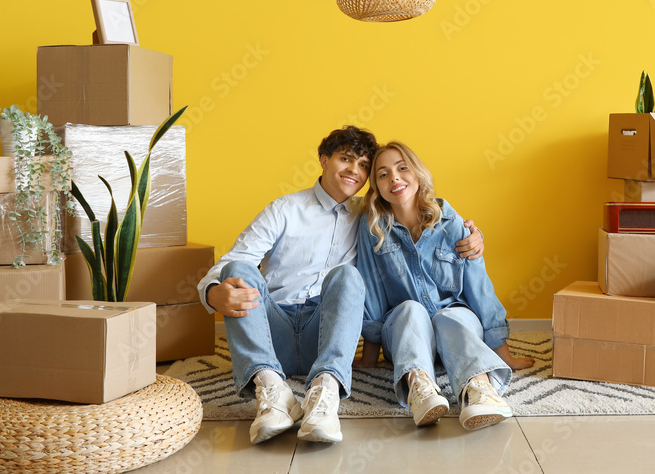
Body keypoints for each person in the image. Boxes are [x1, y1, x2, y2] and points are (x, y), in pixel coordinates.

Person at [196, 126, 484, 445]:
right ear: (324, 160)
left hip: (325, 337)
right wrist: (212, 293)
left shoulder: (371, 214)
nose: (354, 170)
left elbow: (418, 221)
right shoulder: (285, 209)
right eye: (345, 159)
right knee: (239, 268)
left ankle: (326, 390)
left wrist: (469, 233)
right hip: (272, 334)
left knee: (347, 275)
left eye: (363, 165)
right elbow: (232, 261)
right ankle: (272, 389)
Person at [354, 141, 533, 431]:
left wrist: (504, 353)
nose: (395, 178)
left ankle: (480, 389)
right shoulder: (373, 228)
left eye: (402, 168)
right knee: (410, 309)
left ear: (418, 173)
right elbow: (371, 289)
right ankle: (421, 390)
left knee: (448, 314)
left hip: (456, 324)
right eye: (383, 174)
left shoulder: (453, 224)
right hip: (405, 333)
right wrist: (369, 357)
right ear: (375, 186)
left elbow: (479, 286)